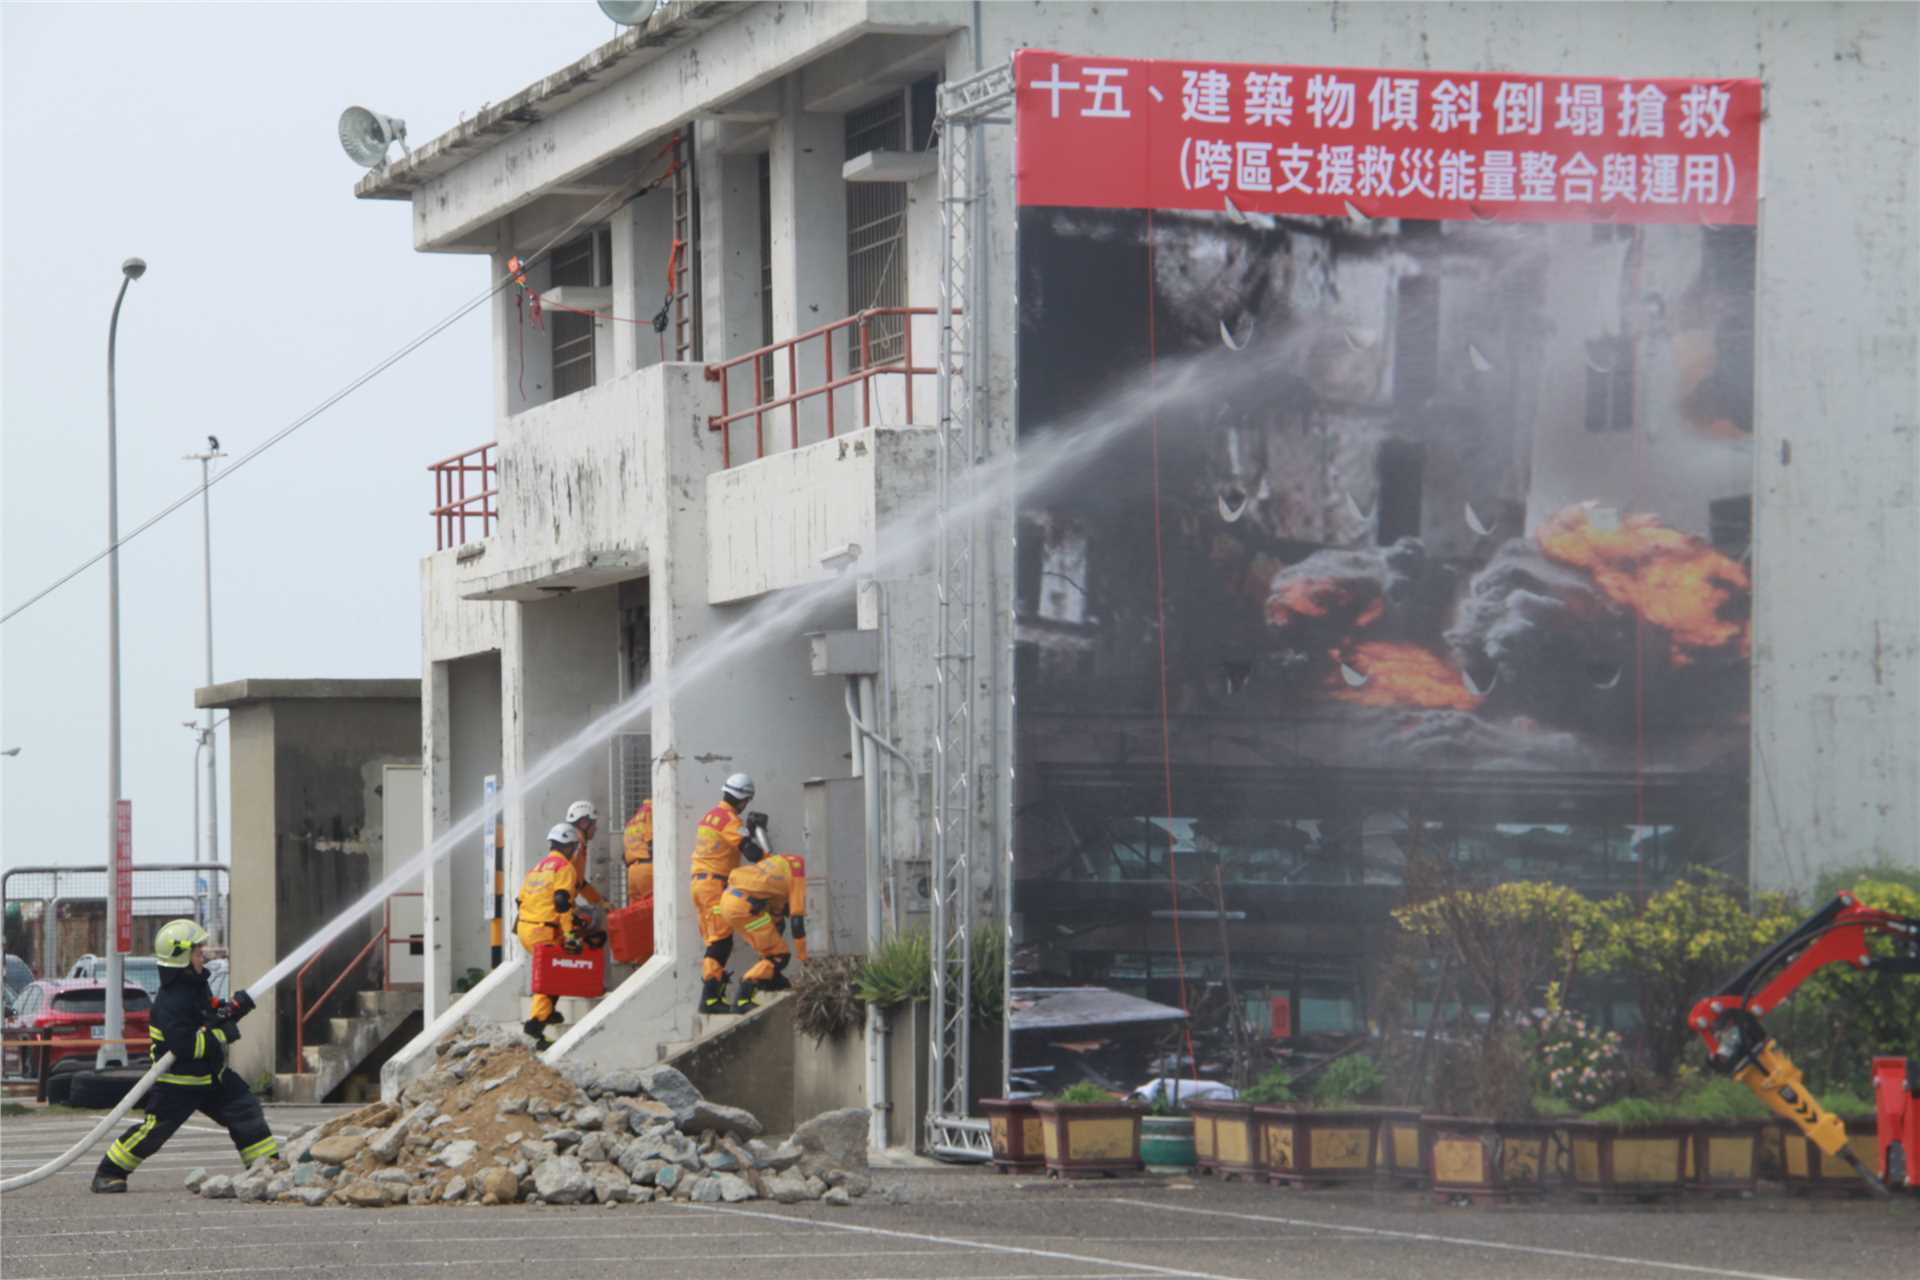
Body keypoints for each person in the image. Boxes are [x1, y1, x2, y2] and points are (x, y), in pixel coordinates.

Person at [91, 919, 275, 1193]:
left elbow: (212, 1015)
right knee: (154, 1132)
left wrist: (234, 1008)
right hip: (179, 1083)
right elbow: (186, 1046)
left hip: (212, 1077)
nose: (203, 954)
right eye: (198, 950)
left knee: (246, 1111)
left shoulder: (196, 986)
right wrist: (222, 1033)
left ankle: (266, 1168)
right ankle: (109, 1172)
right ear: (181, 956)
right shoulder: (171, 1001)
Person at [514, 823, 606, 1043]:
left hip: (526, 928)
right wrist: (570, 934)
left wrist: (572, 923)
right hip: (544, 930)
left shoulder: (538, 867)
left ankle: (548, 1012)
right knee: (552, 976)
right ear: (569, 847)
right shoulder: (564, 867)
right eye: (574, 846)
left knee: (554, 970)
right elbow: (561, 901)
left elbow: (520, 900)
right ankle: (535, 1026)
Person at [714, 819, 807, 1013]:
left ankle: (769, 979)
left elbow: (777, 916)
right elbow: (797, 922)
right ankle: (744, 995)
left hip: (728, 901)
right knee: (780, 956)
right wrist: (804, 958)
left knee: (770, 946)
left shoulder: (779, 866)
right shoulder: (799, 876)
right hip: (744, 907)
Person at [690, 773, 765, 1013]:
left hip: (701, 884)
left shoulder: (710, 816)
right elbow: (752, 853)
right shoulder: (730, 820)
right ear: (743, 799)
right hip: (714, 886)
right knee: (720, 942)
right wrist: (756, 833)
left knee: (716, 941)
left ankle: (713, 996)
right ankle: (710, 999)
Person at [622, 798, 654, 904]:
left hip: (632, 871)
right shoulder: (650, 813)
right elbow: (651, 841)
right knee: (652, 908)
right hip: (647, 869)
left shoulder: (632, 821)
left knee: (635, 911)